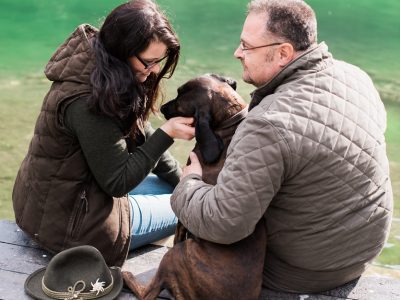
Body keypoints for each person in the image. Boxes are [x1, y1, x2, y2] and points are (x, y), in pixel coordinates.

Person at [171, 0, 393, 293]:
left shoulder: (268, 124)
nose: (237, 53)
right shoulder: (356, 77)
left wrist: (189, 182)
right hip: (361, 254)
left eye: (246, 46)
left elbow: (223, 224)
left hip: (299, 271)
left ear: (283, 53)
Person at [12, 0, 195, 267]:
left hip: (66, 199)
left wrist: (182, 180)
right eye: (149, 62)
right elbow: (117, 183)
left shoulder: (107, 73)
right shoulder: (86, 101)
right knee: (194, 208)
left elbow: (142, 132)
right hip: (69, 228)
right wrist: (168, 133)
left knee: (184, 191)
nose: (155, 70)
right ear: (122, 51)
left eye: (159, 61)